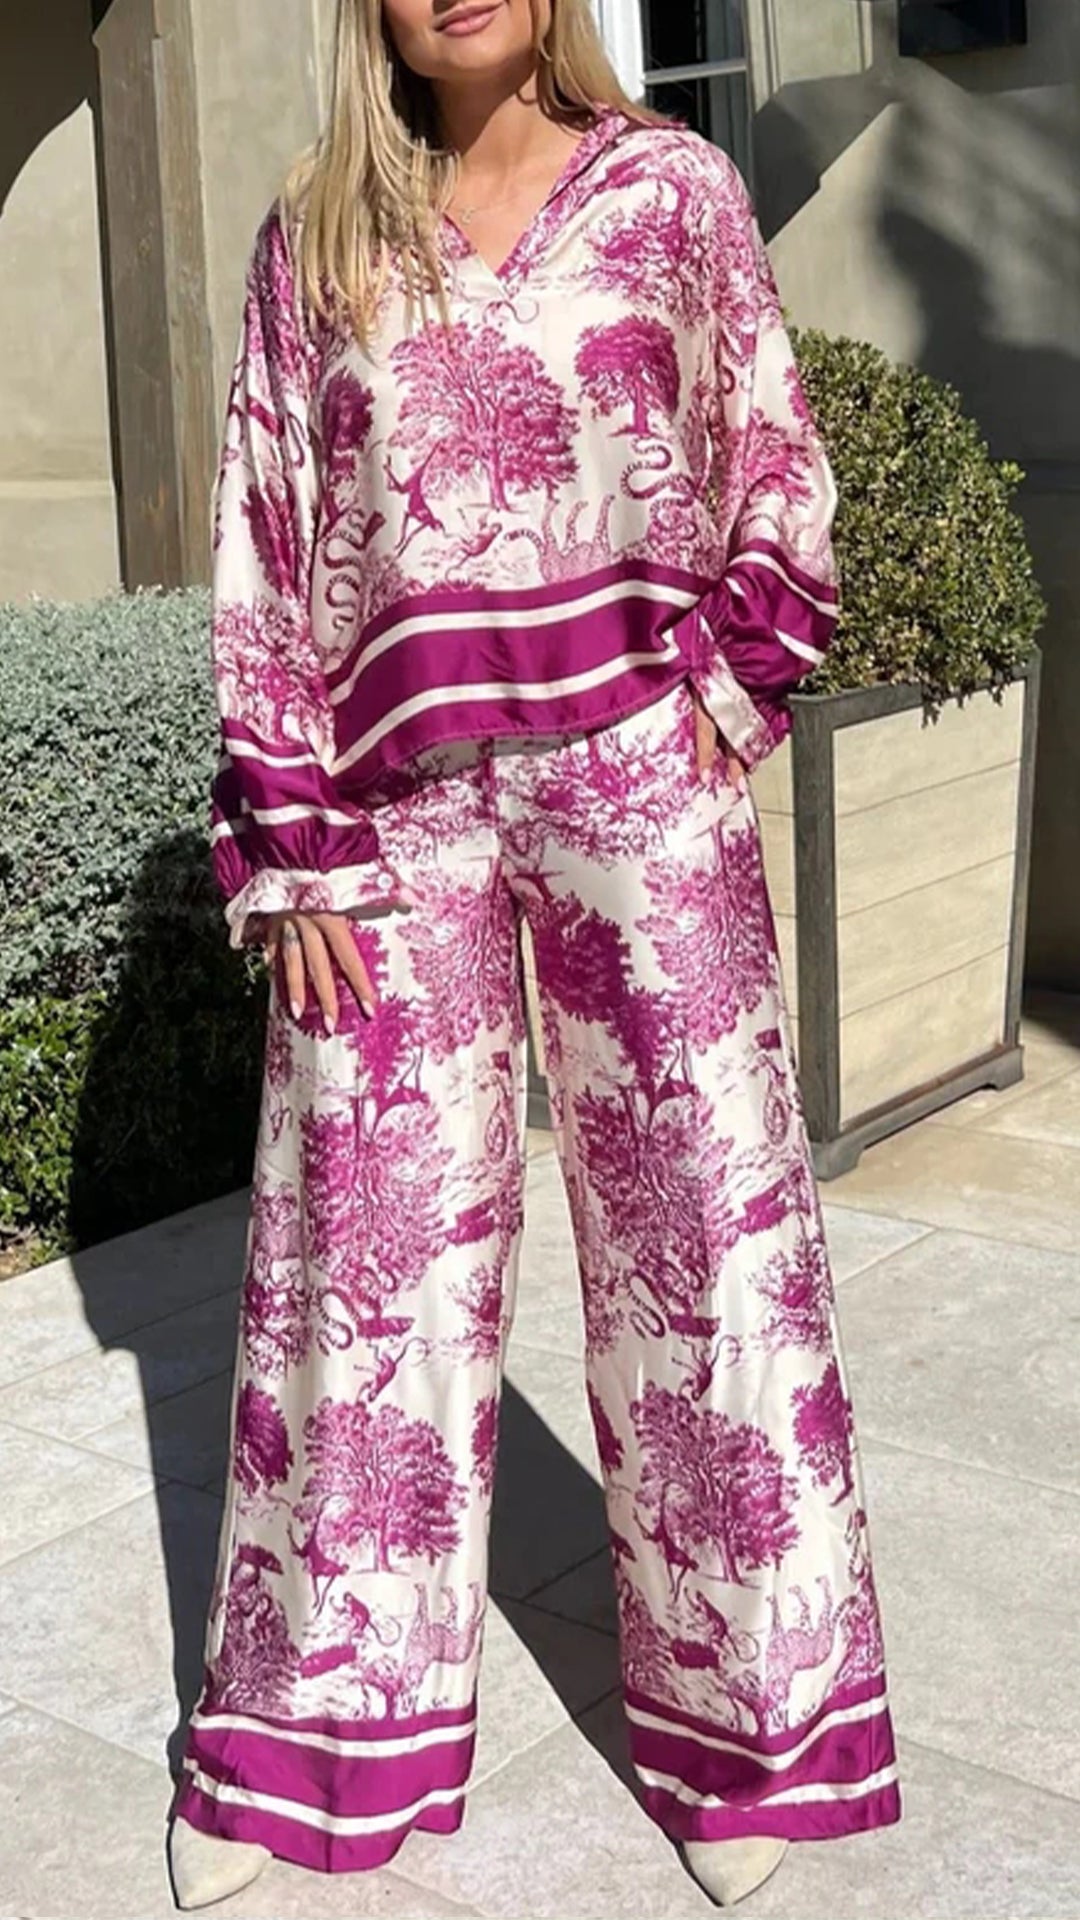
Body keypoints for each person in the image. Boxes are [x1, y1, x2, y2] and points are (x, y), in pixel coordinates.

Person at [167, 0, 902, 1907]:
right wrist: (293, 845)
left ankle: (755, 1731)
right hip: (388, 820)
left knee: (708, 1233)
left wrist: (719, 700)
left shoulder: (673, 194)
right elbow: (264, 539)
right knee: (364, 1250)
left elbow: (773, 461)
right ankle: (315, 1727)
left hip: (636, 785)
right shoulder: (317, 233)